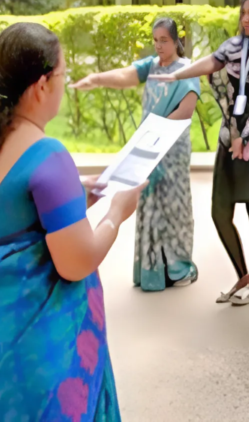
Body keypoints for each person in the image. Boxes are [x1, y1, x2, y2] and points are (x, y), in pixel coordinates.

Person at [0, 22, 145, 419]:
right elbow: (76, 262)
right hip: (37, 351)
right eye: (63, 75)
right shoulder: (48, 154)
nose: (66, 83)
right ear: (43, 84)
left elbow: (10, 214)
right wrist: (117, 211)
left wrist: (76, 193)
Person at [153, 0, 249, 307]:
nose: (246, 18)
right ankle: (242, 273)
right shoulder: (233, 46)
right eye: (243, 12)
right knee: (219, 210)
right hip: (231, 135)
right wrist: (177, 76)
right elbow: (210, 64)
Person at [71, 17, 200, 291]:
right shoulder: (151, 66)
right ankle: (153, 270)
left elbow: (186, 110)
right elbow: (124, 75)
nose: (159, 45)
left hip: (172, 150)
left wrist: (158, 135)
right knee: (149, 202)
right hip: (147, 149)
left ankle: (179, 267)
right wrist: (95, 79)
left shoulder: (187, 70)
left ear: (176, 41)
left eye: (164, 40)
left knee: (174, 206)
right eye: (155, 40)